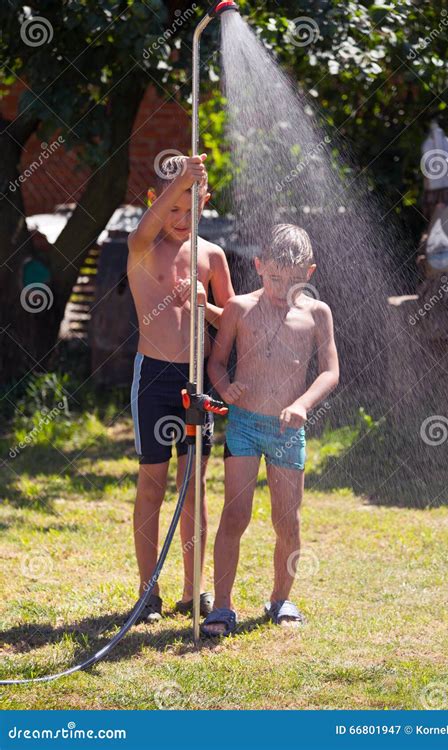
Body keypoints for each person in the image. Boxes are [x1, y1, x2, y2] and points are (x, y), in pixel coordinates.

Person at [202, 223, 339, 635]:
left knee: (287, 520)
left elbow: (331, 372)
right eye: (274, 277)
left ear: (309, 273)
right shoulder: (239, 309)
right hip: (243, 424)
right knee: (235, 514)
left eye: (293, 279)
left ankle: (282, 598)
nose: (282, 287)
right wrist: (226, 388)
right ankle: (222, 606)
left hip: (286, 431)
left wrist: (301, 404)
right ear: (259, 266)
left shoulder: (316, 313)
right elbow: (216, 360)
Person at [127, 153, 234, 623]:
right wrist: (181, 181)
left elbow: (233, 322)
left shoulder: (212, 255)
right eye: (172, 208)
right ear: (155, 201)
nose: (181, 220)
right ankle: (148, 590)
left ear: (205, 202)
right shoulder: (144, 245)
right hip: (152, 376)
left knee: (194, 488)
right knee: (152, 484)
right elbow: (141, 231)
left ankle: (195, 592)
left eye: (192, 209)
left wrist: (204, 306)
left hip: (194, 381)